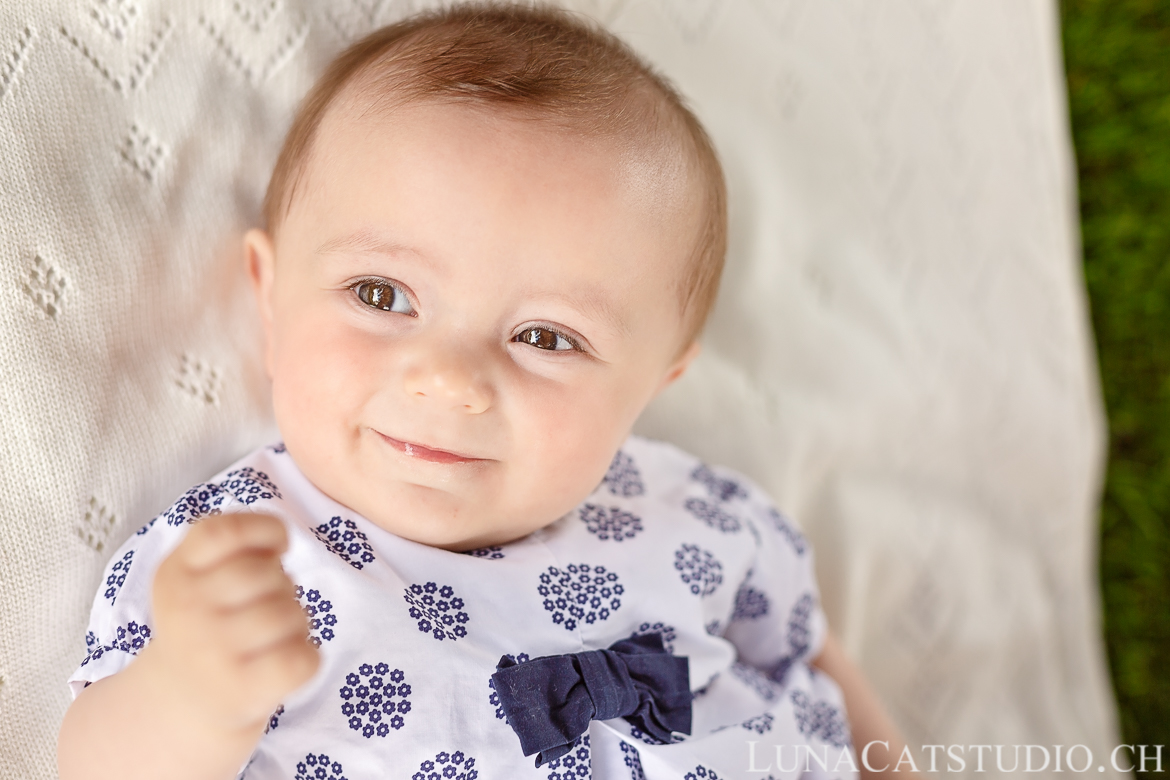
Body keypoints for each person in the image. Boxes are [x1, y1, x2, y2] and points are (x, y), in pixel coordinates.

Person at [57, 4, 919, 779]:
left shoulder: (695, 515)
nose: (450, 380)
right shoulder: (250, 558)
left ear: (658, 380)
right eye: (382, 295)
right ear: (270, 300)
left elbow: (812, 666)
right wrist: (190, 694)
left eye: (547, 338)